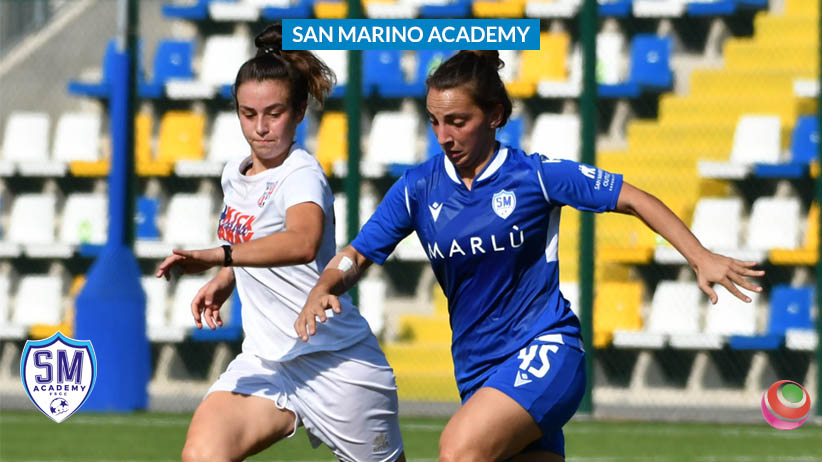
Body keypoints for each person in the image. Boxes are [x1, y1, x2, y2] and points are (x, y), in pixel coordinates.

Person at [296, 50, 764, 461]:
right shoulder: (417, 187)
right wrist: (325, 285)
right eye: (435, 121)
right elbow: (357, 254)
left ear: (495, 115)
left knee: (458, 450)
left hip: (545, 349)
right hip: (477, 370)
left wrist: (699, 256)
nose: (444, 136)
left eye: (458, 121)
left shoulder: (534, 176)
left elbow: (634, 199)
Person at [156, 23, 406, 462]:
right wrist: (226, 278)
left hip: (334, 361)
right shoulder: (234, 173)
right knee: (202, 455)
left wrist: (220, 256)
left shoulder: (301, 173)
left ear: (299, 111)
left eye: (274, 113)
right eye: (248, 114)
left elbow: (302, 241)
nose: (261, 127)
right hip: (266, 364)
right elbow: (256, 239)